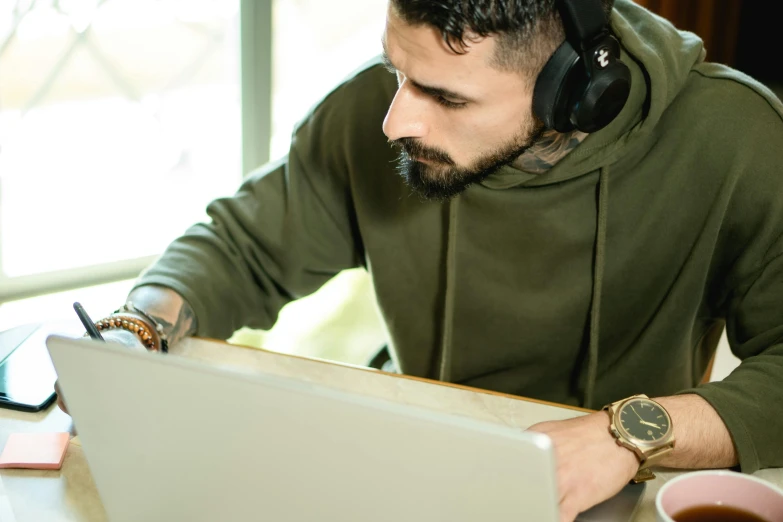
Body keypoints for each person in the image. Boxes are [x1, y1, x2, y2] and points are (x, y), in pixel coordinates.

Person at [56, 0, 783, 519]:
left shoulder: (735, 139)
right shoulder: (379, 113)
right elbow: (241, 245)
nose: (394, 119)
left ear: (573, 93)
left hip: (609, 492)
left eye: (442, 95)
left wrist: (625, 435)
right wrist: (137, 330)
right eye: (395, 72)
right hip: (408, 464)